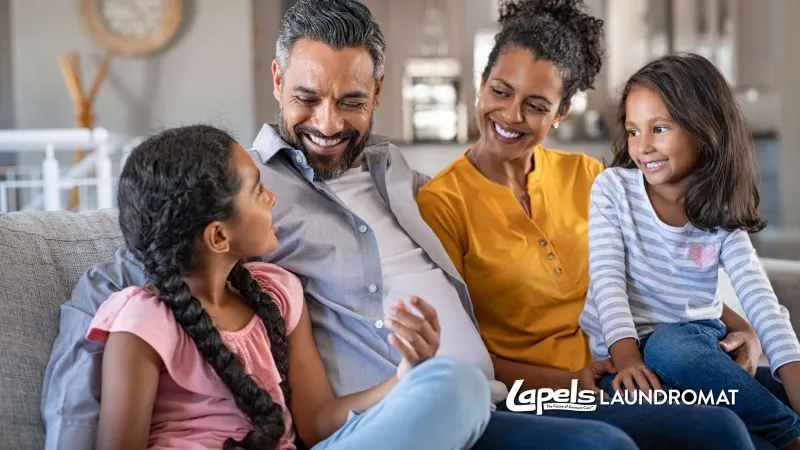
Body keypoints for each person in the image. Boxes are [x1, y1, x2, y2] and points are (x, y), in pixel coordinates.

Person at [41, 1, 643, 449]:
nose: (328, 123)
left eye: (351, 101)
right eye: (307, 97)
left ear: (378, 92)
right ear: (278, 82)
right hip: (392, 418)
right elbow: (122, 275)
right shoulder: (240, 196)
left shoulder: (397, 171)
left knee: (687, 424)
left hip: (499, 398)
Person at [416, 0, 769, 448]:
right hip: (532, 394)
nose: (510, 115)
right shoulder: (441, 204)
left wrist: (746, 329)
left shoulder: (589, 177)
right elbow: (459, 355)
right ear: (480, 85)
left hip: (631, 367)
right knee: (718, 430)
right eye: (501, 91)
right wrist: (569, 382)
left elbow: (660, 275)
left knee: (775, 396)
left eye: (536, 104)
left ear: (561, 112)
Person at [86, 124, 490, 450]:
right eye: (258, 190)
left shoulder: (277, 294)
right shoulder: (143, 322)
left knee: (456, 384)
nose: (273, 197)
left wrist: (405, 377)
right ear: (219, 238)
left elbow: (316, 424)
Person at [578, 53, 800, 450]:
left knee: (674, 346)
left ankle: (786, 426)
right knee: (653, 370)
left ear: (705, 130)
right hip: (627, 358)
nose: (642, 147)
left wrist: (791, 367)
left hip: (694, 347)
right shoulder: (613, 190)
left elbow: (759, 298)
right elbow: (607, 278)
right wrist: (626, 355)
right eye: (632, 131)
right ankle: (789, 432)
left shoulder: (720, 211)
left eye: (659, 128)